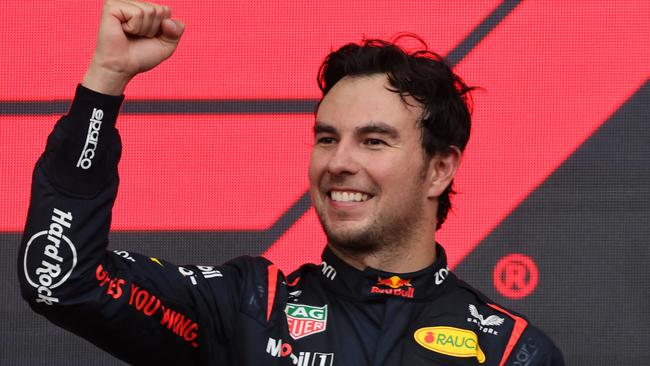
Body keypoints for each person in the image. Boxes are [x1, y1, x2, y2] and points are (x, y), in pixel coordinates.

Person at [18, 0, 564, 365]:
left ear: (440, 169)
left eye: (373, 141)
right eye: (327, 138)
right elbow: (61, 280)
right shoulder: (249, 305)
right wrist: (105, 83)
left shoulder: (511, 350)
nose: (339, 162)